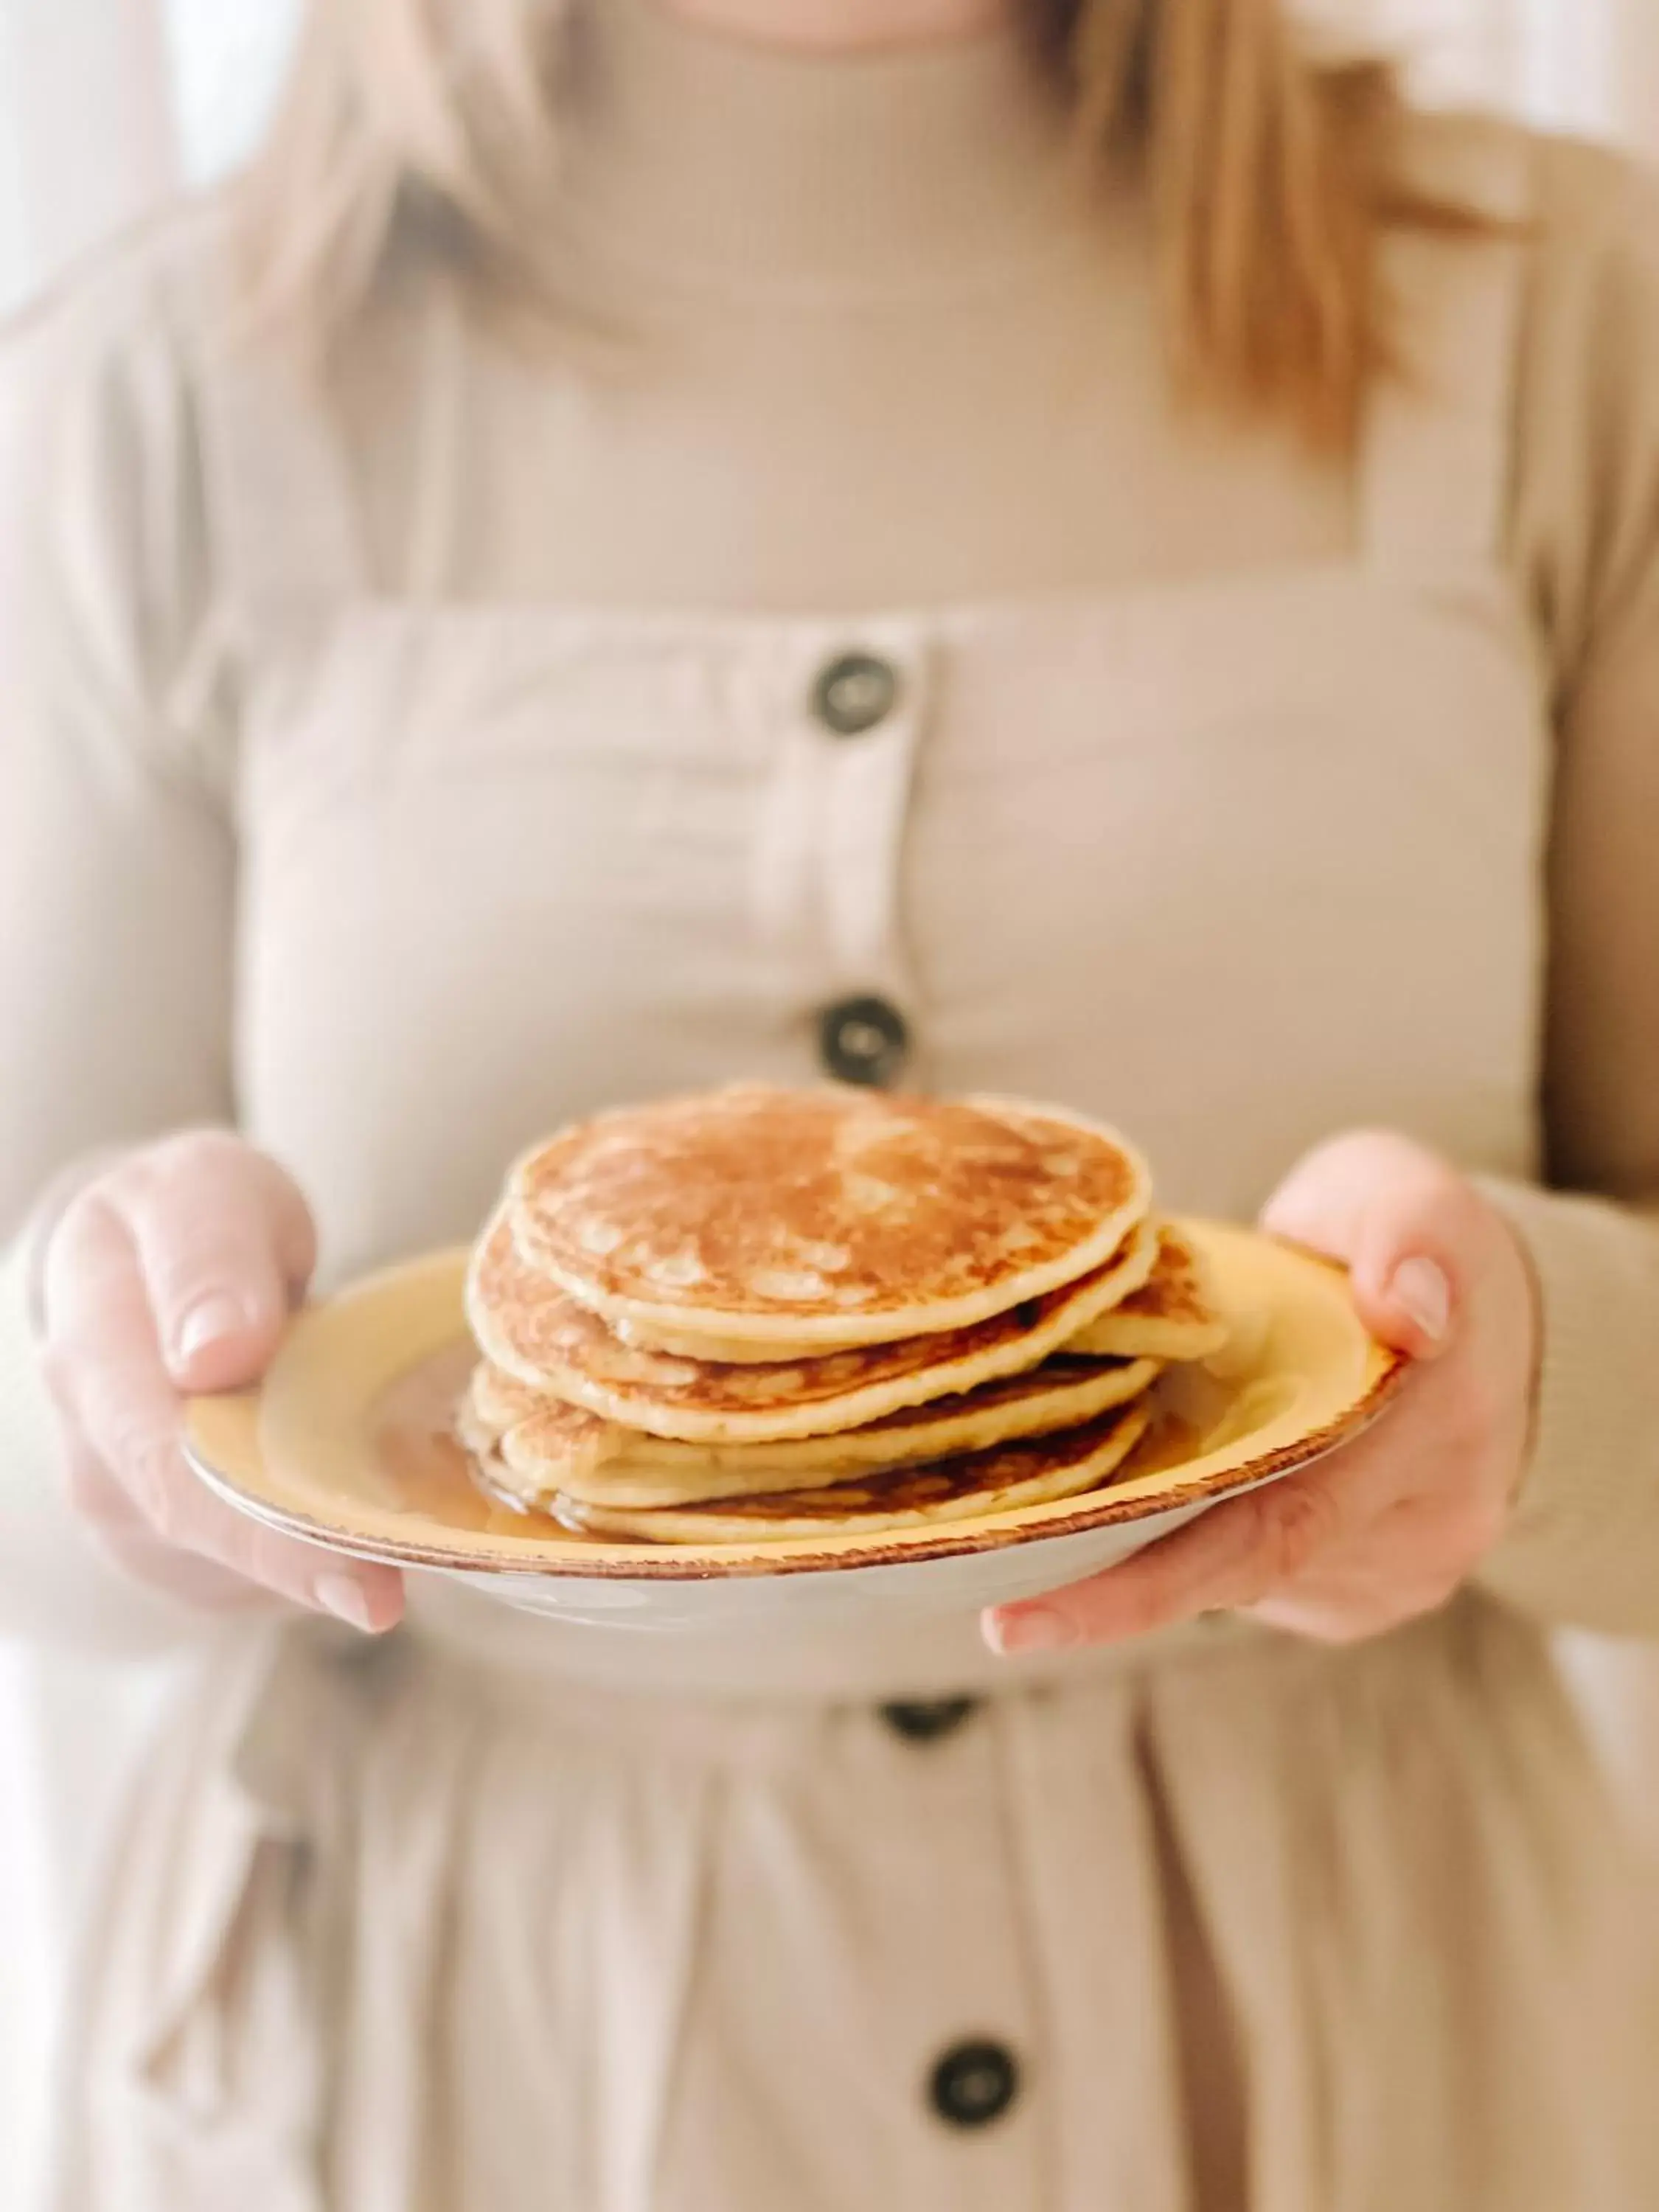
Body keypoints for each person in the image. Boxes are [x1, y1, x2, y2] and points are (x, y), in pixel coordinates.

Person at [5, 0, 1659, 2202]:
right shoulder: (161, 386)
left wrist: (1537, 1377)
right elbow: (41, 1478)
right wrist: (113, 1368)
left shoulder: (1567, 316)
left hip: (1380, 2075)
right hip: (466, 2090)